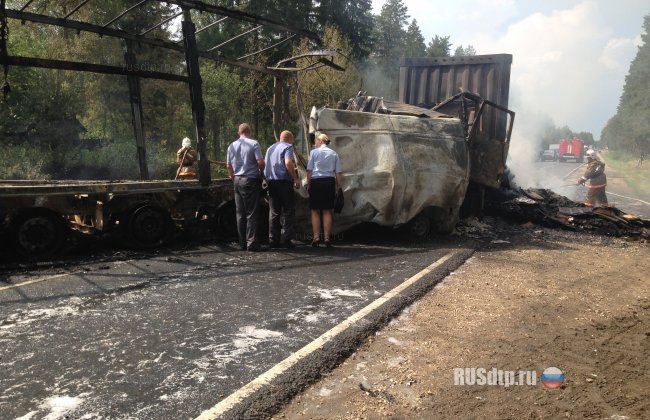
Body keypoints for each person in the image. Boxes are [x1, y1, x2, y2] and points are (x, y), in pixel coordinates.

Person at [226, 123, 265, 251]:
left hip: (237, 180)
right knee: (251, 213)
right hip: (250, 180)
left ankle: (242, 243)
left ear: (239, 132)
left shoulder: (231, 146)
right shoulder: (254, 144)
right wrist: (260, 172)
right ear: (250, 131)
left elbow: (228, 166)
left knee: (240, 213)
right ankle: (252, 243)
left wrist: (233, 177)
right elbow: (260, 162)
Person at [264, 130, 300, 249]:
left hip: (271, 182)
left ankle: (273, 240)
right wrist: (295, 178)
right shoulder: (288, 146)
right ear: (290, 139)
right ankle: (287, 240)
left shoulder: (270, 148)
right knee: (288, 211)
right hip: (284, 182)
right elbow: (288, 162)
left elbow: (266, 166)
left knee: (274, 212)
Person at [307, 133, 343, 247]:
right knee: (327, 210)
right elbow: (338, 173)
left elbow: (309, 171)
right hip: (329, 182)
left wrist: (309, 184)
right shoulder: (334, 154)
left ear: (320, 141)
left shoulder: (313, 152)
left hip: (316, 182)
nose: (315, 143)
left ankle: (316, 238)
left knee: (315, 210)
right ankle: (327, 238)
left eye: (317, 141)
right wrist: (339, 187)